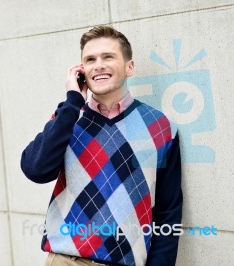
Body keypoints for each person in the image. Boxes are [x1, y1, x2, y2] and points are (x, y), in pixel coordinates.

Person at [20, 25, 183, 266]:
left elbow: (168, 212)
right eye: (90, 59)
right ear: (81, 71)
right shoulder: (68, 118)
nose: (98, 65)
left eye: (108, 57)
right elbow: (36, 169)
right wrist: (73, 101)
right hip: (66, 260)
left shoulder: (160, 127)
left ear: (129, 66)